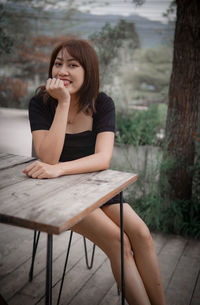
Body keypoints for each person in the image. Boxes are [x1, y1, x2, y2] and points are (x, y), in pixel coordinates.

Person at [23, 38, 166, 305]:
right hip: (56, 192)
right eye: (58, 63)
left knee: (142, 234)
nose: (62, 71)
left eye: (72, 65)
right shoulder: (40, 103)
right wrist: (62, 103)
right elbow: (48, 157)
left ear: (88, 71)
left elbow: (103, 158)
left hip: (93, 186)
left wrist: (60, 169)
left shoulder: (102, 103)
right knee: (118, 241)